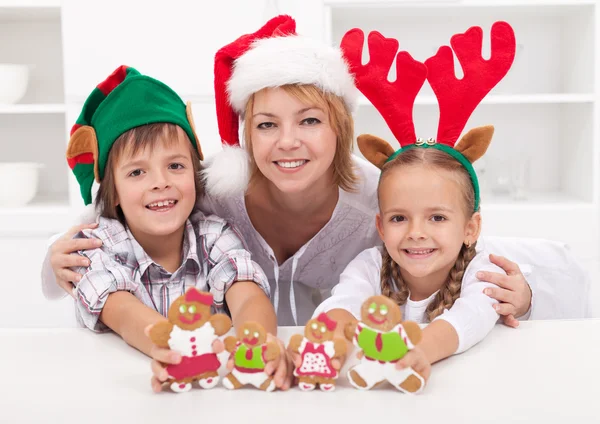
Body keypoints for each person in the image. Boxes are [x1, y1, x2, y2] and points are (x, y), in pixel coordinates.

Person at [42, 16, 536, 387]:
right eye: (266, 125)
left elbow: (457, 240)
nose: (287, 142)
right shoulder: (210, 195)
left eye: (309, 121)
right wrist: (54, 259)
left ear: (340, 129)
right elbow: (112, 215)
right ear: (246, 137)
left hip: (318, 374)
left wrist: (519, 292)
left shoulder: (380, 198)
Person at [314, 22, 528, 386]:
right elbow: (341, 303)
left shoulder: (481, 272)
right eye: (399, 218)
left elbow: (470, 318)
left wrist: (421, 350)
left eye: (437, 217)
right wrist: (334, 338)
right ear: (380, 227)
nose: (416, 233)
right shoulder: (368, 265)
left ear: (470, 228)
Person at [62, 65, 279, 392]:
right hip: (118, 394)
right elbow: (121, 310)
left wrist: (258, 342)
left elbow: (247, 293)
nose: (160, 182)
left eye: (175, 166)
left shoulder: (213, 235)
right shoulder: (97, 245)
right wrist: (169, 348)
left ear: (195, 173)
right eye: (137, 173)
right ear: (113, 190)